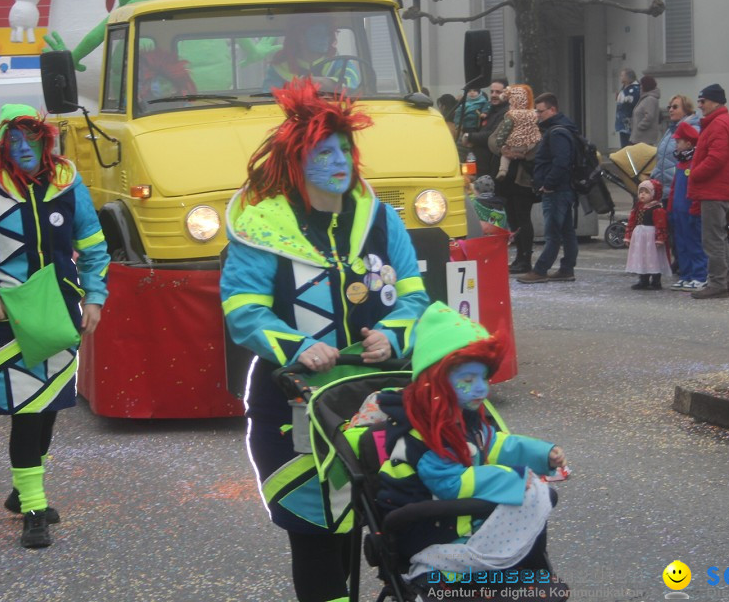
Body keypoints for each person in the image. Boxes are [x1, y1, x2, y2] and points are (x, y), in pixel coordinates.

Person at [220, 78, 430, 602]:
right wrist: (295, 346)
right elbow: (242, 310)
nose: (340, 161)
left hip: (378, 401)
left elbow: (415, 297)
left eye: (344, 149)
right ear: (296, 160)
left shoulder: (380, 218)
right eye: (324, 151)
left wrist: (392, 334)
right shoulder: (263, 225)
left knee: (365, 527)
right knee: (315, 534)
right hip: (291, 406)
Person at [0, 104, 109, 549]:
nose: (22, 147)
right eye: (13, 139)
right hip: (8, 316)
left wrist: (95, 296)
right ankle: (34, 506)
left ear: (44, 139)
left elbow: (93, 246)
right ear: (2, 144)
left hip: (60, 311)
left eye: (30, 137)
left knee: (50, 405)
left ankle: (23, 490)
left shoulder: (69, 185)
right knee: (26, 410)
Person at [376, 302, 565, 588]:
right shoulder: (425, 433)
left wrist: (541, 454)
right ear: (436, 383)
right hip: (428, 534)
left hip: (457, 519)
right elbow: (448, 482)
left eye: (484, 378)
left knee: (537, 499)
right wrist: (509, 478)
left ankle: (519, 566)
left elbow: (492, 444)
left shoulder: (462, 417)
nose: (481, 388)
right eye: (467, 379)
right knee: (526, 498)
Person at [517, 93, 578, 284]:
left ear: (552, 110)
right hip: (563, 188)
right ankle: (567, 269)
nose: (537, 114)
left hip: (557, 190)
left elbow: (561, 162)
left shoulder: (557, 132)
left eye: (541, 111)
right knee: (566, 231)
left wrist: (548, 184)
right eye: (536, 110)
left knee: (553, 233)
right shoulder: (561, 128)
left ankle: (541, 270)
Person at [688, 84, 729, 300]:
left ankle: (718, 283)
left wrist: (694, 173)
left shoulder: (718, 124)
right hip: (717, 189)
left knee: (712, 240)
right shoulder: (720, 122)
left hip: (714, 190)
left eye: (703, 101)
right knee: (719, 238)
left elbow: (716, 158)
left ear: (715, 102)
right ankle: (727, 282)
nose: (700, 105)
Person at [490, 86, 540, 275]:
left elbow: (535, 145)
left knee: (522, 218)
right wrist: (502, 149)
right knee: (513, 218)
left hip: (522, 178)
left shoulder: (531, 117)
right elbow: (493, 139)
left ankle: (525, 258)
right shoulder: (509, 116)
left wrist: (521, 153)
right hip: (508, 179)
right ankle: (520, 257)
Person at [263, 18, 360, 92]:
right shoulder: (280, 68)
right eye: (317, 34)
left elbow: (351, 86)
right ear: (301, 37)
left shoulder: (340, 63)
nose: (325, 38)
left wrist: (313, 82)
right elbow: (267, 100)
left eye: (328, 34)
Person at [667, 122, 707, 291]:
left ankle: (700, 275)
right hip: (678, 210)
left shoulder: (694, 163)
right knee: (681, 244)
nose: (676, 144)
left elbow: (697, 188)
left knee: (694, 243)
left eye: (679, 141)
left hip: (690, 210)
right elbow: (675, 187)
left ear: (689, 144)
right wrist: (670, 208)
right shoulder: (680, 164)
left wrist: (695, 207)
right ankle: (686, 274)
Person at [652, 95, 700, 205]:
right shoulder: (671, 129)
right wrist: (654, 175)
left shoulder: (693, 130)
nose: (670, 110)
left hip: (679, 188)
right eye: (669, 107)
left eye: (675, 107)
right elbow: (662, 155)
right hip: (665, 188)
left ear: (686, 109)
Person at [624, 179, 670, 290]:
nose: (642, 194)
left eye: (646, 192)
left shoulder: (657, 209)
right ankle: (643, 279)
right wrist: (628, 236)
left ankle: (656, 280)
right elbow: (631, 222)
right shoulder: (638, 208)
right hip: (640, 237)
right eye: (640, 192)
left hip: (651, 237)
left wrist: (660, 238)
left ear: (654, 194)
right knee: (642, 257)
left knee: (653, 258)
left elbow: (661, 224)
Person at [463, 78, 509, 178]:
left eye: (498, 92)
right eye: (492, 92)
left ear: (506, 93)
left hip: (492, 169)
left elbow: (493, 135)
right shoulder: (488, 109)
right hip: (479, 165)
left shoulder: (507, 113)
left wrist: (469, 136)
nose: (493, 95)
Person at [453, 85, 490, 156]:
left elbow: (487, 107)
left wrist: (484, 113)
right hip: (466, 127)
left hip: (479, 129)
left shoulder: (484, 102)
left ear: (479, 92)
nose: (472, 93)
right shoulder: (464, 104)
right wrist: (458, 125)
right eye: (469, 91)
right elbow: (458, 114)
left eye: (474, 90)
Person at [629, 74, 662, 146]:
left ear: (646, 85)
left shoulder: (650, 99)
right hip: (640, 137)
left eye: (641, 84)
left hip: (644, 138)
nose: (640, 87)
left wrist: (640, 126)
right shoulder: (645, 98)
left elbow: (649, 116)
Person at [614, 69, 639, 149]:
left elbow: (632, 102)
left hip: (629, 124)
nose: (620, 77)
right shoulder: (624, 88)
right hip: (622, 123)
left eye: (622, 75)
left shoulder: (635, 89)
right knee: (624, 146)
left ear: (628, 77)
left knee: (629, 147)